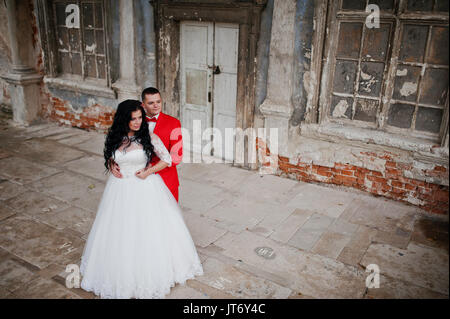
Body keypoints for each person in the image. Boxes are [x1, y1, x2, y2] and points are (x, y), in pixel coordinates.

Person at [79, 99, 203, 299]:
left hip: (144, 186)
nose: (137, 122)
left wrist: (149, 171)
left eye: (139, 118)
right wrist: (111, 163)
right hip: (119, 190)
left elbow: (167, 159)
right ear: (124, 119)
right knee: (119, 231)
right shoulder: (114, 137)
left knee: (148, 229)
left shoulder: (148, 136)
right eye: (133, 119)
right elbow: (111, 155)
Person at [111, 87, 182, 202]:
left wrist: (149, 167)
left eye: (158, 101)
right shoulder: (134, 121)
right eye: (151, 103)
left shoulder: (174, 123)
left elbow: (176, 157)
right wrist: (113, 162)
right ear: (143, 105)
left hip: (165, 178)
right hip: (136, 179)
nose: (156, 105)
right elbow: (121, 146)